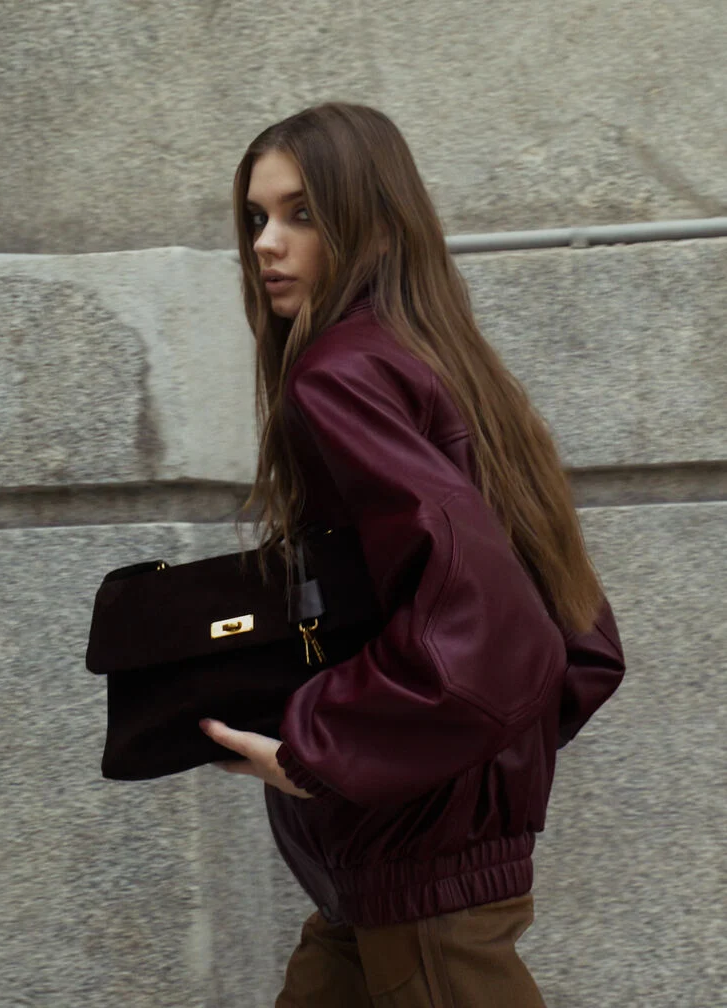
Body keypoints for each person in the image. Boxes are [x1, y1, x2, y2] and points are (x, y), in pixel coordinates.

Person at [199, 102, 625, 1007]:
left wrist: (319, 747)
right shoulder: (443, 361)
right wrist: (457, 769)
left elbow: (494, 624)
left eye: (302, 213)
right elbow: (579, 638)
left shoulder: (340, 372)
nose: (266, 243)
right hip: (395, 857)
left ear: (378, 224)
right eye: (256, 217)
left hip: (418, 871)